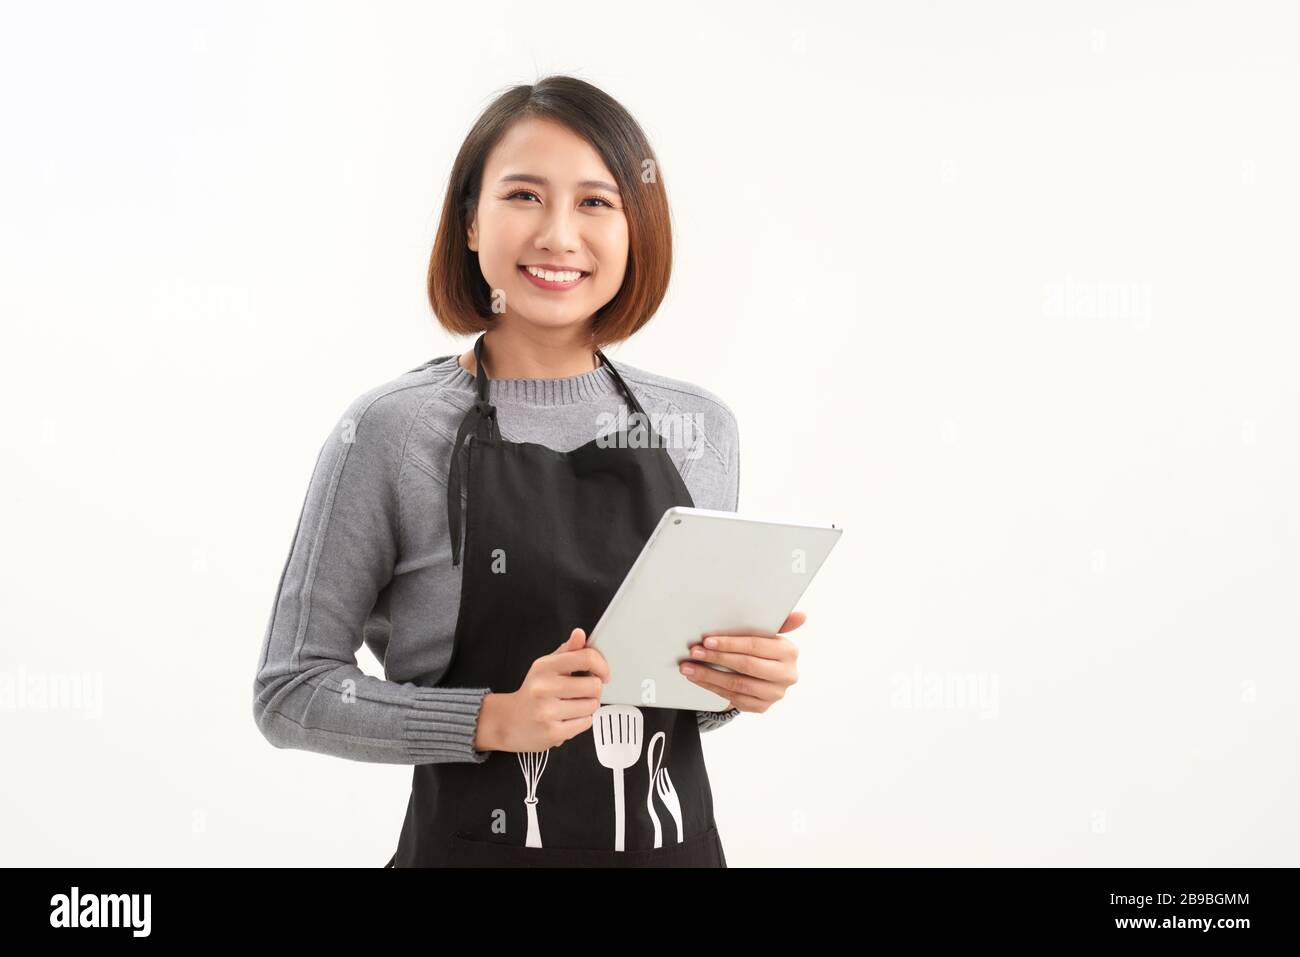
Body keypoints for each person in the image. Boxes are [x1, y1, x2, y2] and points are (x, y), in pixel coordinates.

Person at [253, 75, 804, 867]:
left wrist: (734, 684)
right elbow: (291, 691)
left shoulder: (700, 430)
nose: (557, 234)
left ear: (636, 231)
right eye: (523, 196)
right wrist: (490, 720)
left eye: (595, 202)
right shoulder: (392, 431)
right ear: (470, 223)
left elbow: (680, 705)